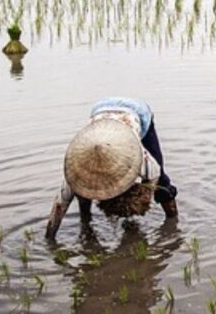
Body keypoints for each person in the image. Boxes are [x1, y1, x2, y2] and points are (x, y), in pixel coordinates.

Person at [45, 98, 178, 240]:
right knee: (82, 193)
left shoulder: (143, 161)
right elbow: (59, 207)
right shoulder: (75, 173)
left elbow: (153, 182)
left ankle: (173, 223)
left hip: (137, 112)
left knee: (162, 183)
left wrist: (143, 196)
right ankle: (86, 225)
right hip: (100, 112)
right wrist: (50, 238)